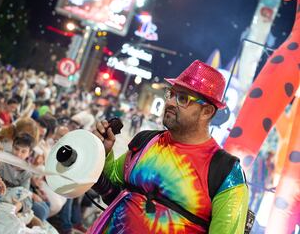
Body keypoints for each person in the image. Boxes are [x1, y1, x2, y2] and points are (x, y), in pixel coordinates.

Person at [91, 60, 249, 233]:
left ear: (207, 112)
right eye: (171, 94)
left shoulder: (226, 172)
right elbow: (111, 182)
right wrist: (103, 152)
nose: (171, 102)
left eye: (183, 98)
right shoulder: (146, 141)